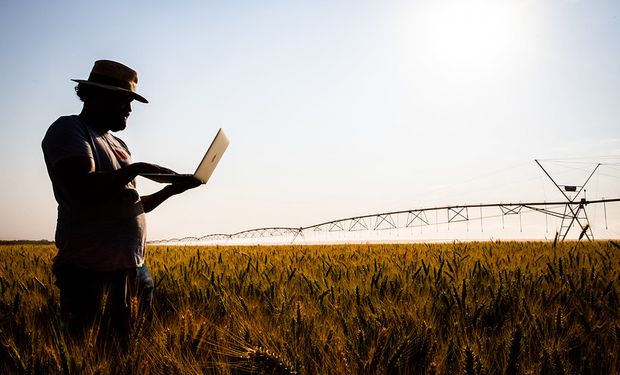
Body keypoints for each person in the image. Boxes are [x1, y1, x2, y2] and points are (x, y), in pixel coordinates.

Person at [41, 60, 200, 340]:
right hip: (91, 271)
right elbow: (80, 188)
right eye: (124, 101)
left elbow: (130, 203)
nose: (129, 109)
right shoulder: (70, 130)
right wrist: (136, 168)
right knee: (92, 352)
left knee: (133, 351)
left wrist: (171, 190)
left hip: (134, 266)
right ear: (98, 96)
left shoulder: (119, 145)